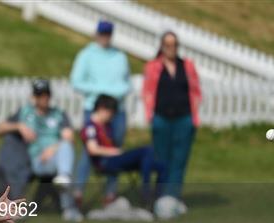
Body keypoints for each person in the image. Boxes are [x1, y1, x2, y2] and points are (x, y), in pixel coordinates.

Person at [0, 79, 83, 222]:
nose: (43, 98)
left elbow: (69, 138)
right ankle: (68, 203)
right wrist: (19, 126)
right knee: (66, 169)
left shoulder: (59, 114)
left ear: (50, 96)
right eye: (40, 95)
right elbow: (0, 127)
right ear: (34, 97)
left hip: (56, 157)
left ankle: (67, 196)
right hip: (37, 160)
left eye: (46, 95)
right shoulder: (25, 112)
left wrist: (53, 148)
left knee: (66, 157)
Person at [70, 20, 131, 206]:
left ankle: (110, 193)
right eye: (102, 33)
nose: (105, 37)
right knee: (90, 150)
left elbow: (126, 83)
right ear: (96, 34)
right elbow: (76, 81)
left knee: (115, 151)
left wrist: (114, 93)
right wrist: (102, 90)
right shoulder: (86, 55)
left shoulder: (119, 56)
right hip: (94, 109)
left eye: (108, 34)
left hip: (117, 110)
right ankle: (78, 191)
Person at [142, 31, 201, 208]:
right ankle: (160, 196)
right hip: (161, 118)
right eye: (167, 45)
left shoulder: (187, 66)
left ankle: (173, 196)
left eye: (174, 45)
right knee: (162, 160)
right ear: (161, 46)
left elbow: (196, 91)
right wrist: (150, 115)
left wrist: (193, 116)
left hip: (183, 118)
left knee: (179, 159)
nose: (171, 48)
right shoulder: (153, 67)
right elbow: (147, 91)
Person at [81, 95, 166, 204]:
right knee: (146, 151)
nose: (111, 117)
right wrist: (113, 152)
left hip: (115, 159)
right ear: (101, 109)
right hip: (105, 162)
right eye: (110, 113)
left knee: (161, 166)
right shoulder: (90, 127)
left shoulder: (107, 126)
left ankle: (158, 198)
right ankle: (146, 192)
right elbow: (92, 149)